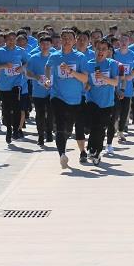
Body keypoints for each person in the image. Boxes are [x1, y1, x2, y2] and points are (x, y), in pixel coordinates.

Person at [45, 29, 90, 169]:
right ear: (60, 40)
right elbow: (48, 67)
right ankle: (62, 155)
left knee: (70, 128)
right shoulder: (54, 56)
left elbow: (85, 78)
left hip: (75, 98)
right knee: (59, 125)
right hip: (57, 96)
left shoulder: (80, 57)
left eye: (70, 38)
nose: (66, 40)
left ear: (74, 41)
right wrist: (47, 79)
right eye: (64, 38)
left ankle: (80, 150)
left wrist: (70, 71)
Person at [86, 40, 121, 164]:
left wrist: (103, 78)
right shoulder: (89, 64)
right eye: (98, 49)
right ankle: (92, 148)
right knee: (94, 125)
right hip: (92, 100)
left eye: (103, 49)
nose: (100, 52)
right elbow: (86, 83)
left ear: (108, 51)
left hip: (107, 102)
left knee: (101, 128)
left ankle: (96, 151)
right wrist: (86, 86)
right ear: (94, 50)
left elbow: (115, 82)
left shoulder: (112, 64)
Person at [0, 31, 28, 145]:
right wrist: (4, 66)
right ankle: (8, 129)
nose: (11, 41)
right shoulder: (0, 51)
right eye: (8, 39)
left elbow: (28, 63)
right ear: (5, 40)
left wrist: (22, 68)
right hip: (4, 85)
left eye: (13, 39)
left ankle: (16, 130)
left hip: (17, 84)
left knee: (17, 107)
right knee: (7, 109)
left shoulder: (20, 51)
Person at [25, 35, 54, 146]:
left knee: (51, 113)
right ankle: (40, 136)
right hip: (38, 92)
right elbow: (27, 73)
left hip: (52, 91)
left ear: (51, 45)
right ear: (39, 45)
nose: (45, 46)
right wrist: (36, 77)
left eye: (47, 44)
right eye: (43, 44)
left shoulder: (55, 57)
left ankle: (49, 132)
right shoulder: (34, 58)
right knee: (40, 114)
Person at [112, 34, 134, 142]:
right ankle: (113, 128)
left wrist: (131, 76)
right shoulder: (114, 54)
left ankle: (121, 131)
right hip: (114, 87)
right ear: (118, 41)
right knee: (115, 111)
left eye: (126, 40)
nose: (123, 42)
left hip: (128, 88)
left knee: (124, 112)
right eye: (122, 40)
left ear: (129, 41)